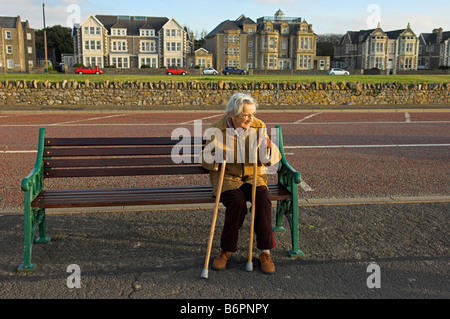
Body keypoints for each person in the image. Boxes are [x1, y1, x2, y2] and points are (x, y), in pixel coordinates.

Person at [200, 93, 280, 274]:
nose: (251, 118)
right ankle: (225, 250)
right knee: (237, 204)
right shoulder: (216, 130)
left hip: (253, 175)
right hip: (228, 178)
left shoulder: (259, 126)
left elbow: (271, 160)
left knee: (263, 199)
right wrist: (215, 158)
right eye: (246, 115)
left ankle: (265, 252)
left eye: (252, 114)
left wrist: (268, 147)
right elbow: (204, 159)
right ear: (232, 114)